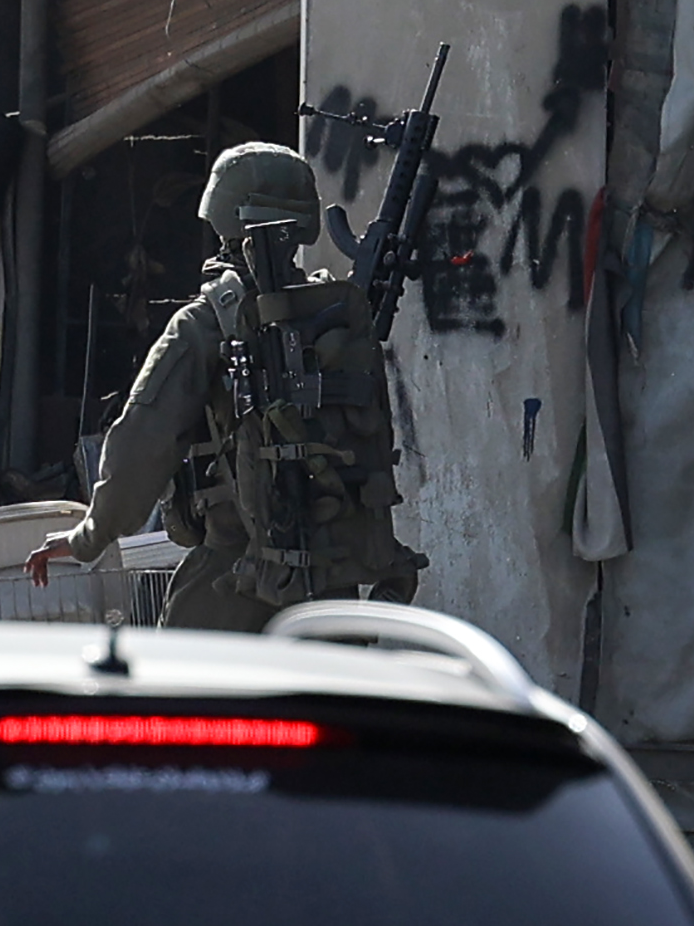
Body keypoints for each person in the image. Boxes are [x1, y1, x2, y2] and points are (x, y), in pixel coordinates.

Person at [25, 142, 421, 631]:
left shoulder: (205, 322)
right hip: (331, 583)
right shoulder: (333, 316)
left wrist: (90, 535)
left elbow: (140, 446)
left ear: (223, 221)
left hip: (233, 578)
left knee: (183, 701)